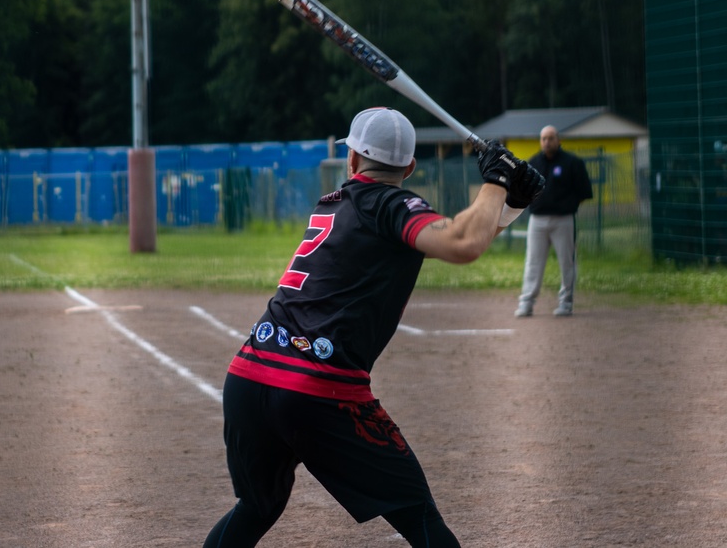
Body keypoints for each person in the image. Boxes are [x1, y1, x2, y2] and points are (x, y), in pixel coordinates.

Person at [203, 107, 544, 548]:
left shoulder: (337, 205)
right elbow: (463, 242)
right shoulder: (391, 205)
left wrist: (511, 203)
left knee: (257, 508)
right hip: (318, 390)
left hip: (249, 377)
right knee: (420, 517)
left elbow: (460, 234)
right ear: (409, 167)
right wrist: (496, 182)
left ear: (351, 160)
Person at [514, 125, 594, 318]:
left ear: (558, 140)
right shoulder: (533, 163)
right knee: (533, 262)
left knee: (567, 262)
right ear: (540, 141)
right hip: (537, 220)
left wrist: (566, 206)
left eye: (551, 138)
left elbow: (584, 192)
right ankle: (526, 303)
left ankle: (566, 303)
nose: (547, 142)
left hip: (563, 220)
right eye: (543, 139)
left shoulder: (572, 163)